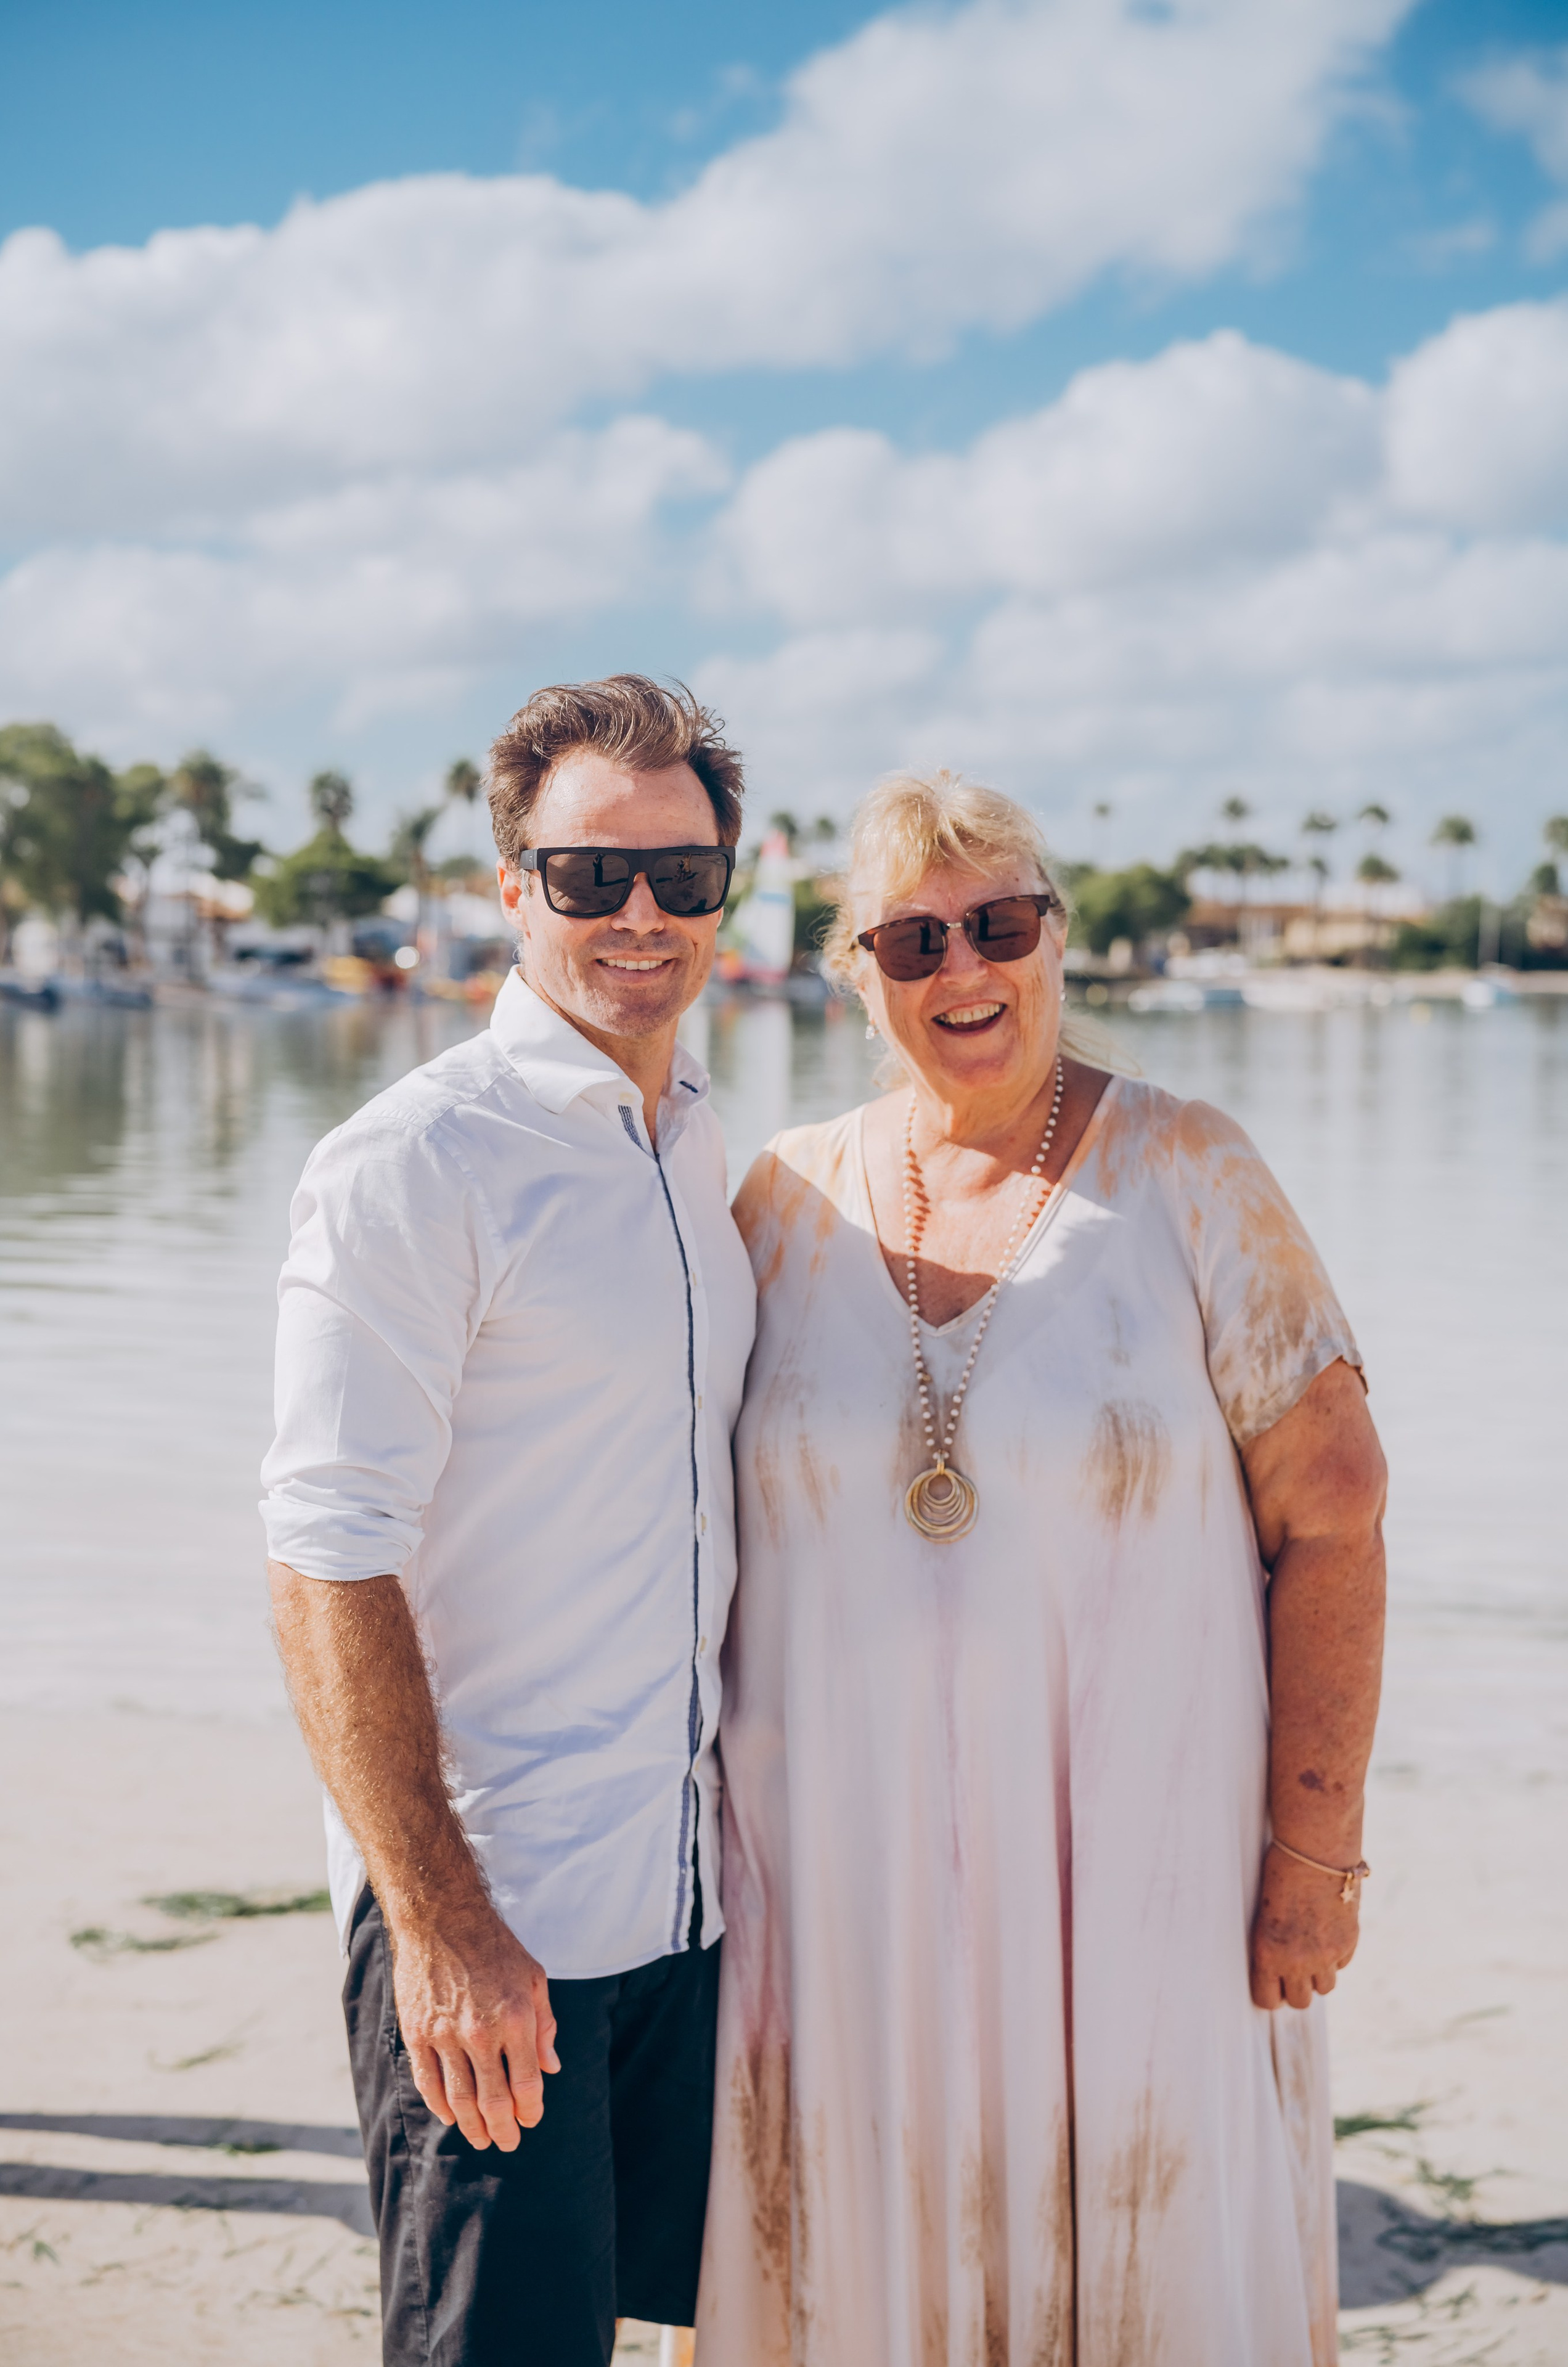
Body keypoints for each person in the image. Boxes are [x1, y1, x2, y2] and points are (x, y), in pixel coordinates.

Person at [697, 771, 1386, 2367]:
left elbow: (1338, 1513)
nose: (964, 970)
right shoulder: (778, 1202)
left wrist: (1314, 1858)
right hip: (835, 1906)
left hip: (1146, 1893)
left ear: (1057, 938)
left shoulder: (1190, 1170)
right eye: (914, 938)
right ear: (852, 973)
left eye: (999, 923)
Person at [261, 676, 756, 2367]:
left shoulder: (698, 1152)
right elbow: (326, 1554)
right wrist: (444, 1926)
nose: (638, 916)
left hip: (685, 1917)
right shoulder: (417, 1164)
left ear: (726, 892)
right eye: (587, 875)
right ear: (512, 889)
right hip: (501, 1931)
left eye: (679, 879)